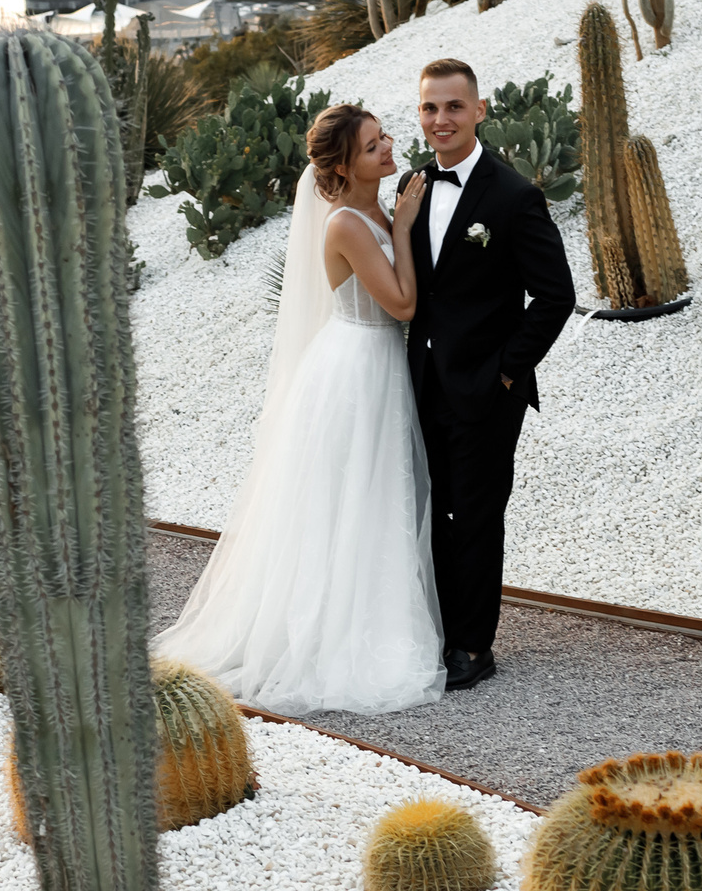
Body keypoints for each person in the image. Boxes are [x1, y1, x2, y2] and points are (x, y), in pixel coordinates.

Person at [153, 104, 446, 714]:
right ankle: (332, 632)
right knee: (349, 498)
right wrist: (401, 230)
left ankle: (374, 608)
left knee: (374, 495)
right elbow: (402, 305)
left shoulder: (375, 208)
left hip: (376, 365)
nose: (388, 147)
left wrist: (398, 223)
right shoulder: (345, 224)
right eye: (372, 147)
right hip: (356, 368)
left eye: (383, 137)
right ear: (343, 166)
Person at [397, 58, 574, 691]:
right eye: (429, 108)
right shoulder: (412, 188)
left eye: (452, 107)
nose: (440, 119)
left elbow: (555, 297)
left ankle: (473, 646)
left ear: (479, 111)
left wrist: (506, 372)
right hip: (421, 384)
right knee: (431, 509)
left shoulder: (512, 194)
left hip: (486, 391)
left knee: (474, 515)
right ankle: (438, 630)